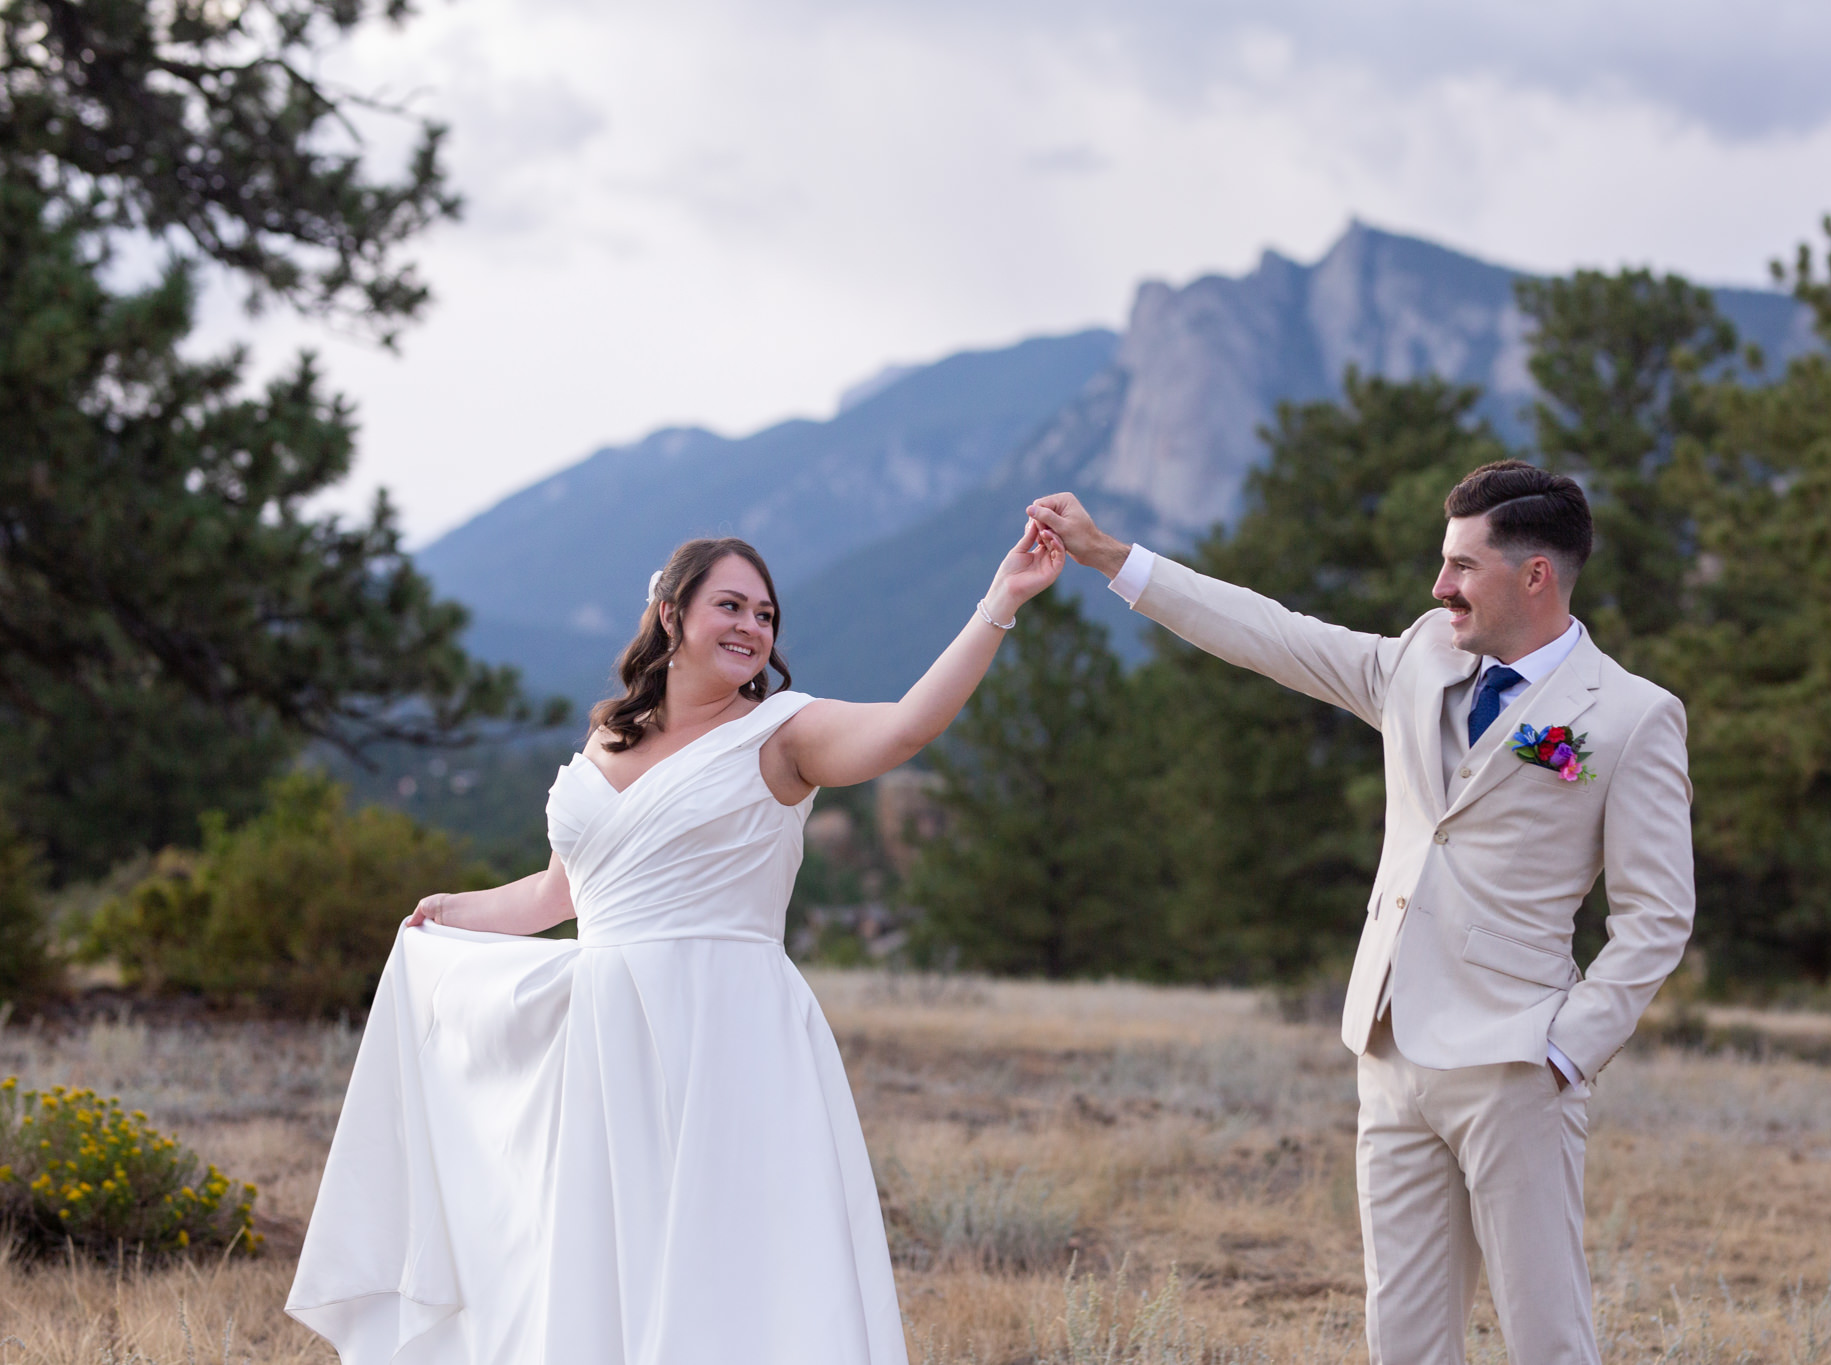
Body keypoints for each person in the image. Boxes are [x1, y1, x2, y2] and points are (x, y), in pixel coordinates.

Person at [286, 522, 1066, 1364]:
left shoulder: (785, 732)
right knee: (606, 1259)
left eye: (765, 614)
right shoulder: (607, 741)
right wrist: (456, 909)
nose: (751, 627)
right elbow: (560, 894)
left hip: (728, 1032)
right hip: (606, 1040)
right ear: (670, 614)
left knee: (727, 1264)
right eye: (729, 604)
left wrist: (1002, 600)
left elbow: (908, 726)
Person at [1028, 462, 1693, 1365]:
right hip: (1388, 1046)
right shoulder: (1422, 655)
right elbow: (1272, 633)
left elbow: (1658, 916)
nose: (1440, 585)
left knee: (1547, 1337)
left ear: (1535, 575)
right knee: (1403, 1337)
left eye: (1462, 565)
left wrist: (1567, 1050)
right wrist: (1112, 557)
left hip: (1516, 1063)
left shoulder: (1629, 715)